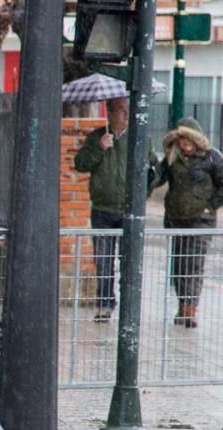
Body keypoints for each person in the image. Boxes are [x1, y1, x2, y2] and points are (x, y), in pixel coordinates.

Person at [74, 97, 156, 323]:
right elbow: (81, 164)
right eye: (121, 110)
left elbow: (153, 170)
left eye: (128, 109)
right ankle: (104, 305)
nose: (126, 114)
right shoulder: (97, 137)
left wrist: (143, 195)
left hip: (129, 210)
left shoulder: (140, 138)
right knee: (104, 259)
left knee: (129, 260)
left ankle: (130, 306)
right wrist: (100, 148)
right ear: (109, 112)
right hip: (102, 209)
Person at [152, 117, 223, 329]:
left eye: (188, 140)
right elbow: (157, 178)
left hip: (200, 221)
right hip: (176, 219)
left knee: (194, 264)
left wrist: (210, 206)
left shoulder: (212, 157)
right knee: (179, 265)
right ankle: (182, 305)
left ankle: (190, 309)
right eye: (181, 140)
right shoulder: (173, 158)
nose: (185, 144)